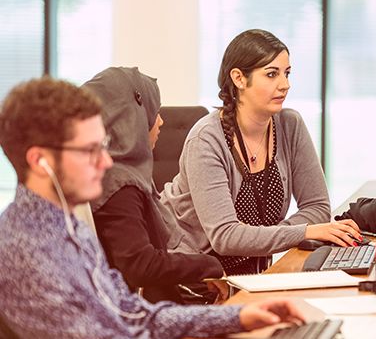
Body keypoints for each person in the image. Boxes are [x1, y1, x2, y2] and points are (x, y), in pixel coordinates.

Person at [0, 76, 306, 338]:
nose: (106, 162)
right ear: (40, 161)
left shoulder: (69, 227)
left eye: (103, 146)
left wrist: (237, 316)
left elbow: (133, 313)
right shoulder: (26, 251)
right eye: (89, 150)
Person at [160, 29, 361, 276]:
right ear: (239, 79)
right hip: (197, 278)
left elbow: (318, 207)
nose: (285, 85)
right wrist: (303, 231)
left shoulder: (289, 125)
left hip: (253, 275)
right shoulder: (206, 140)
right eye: (271, 74)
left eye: (286, 73)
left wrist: (265, 236)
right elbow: (225, 237)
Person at [84, 67, 228, 304]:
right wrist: (208, 265)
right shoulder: (119, 185)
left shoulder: (120, 174)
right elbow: (140, 265)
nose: (160, 121)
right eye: (154, 112)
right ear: (132, 118)